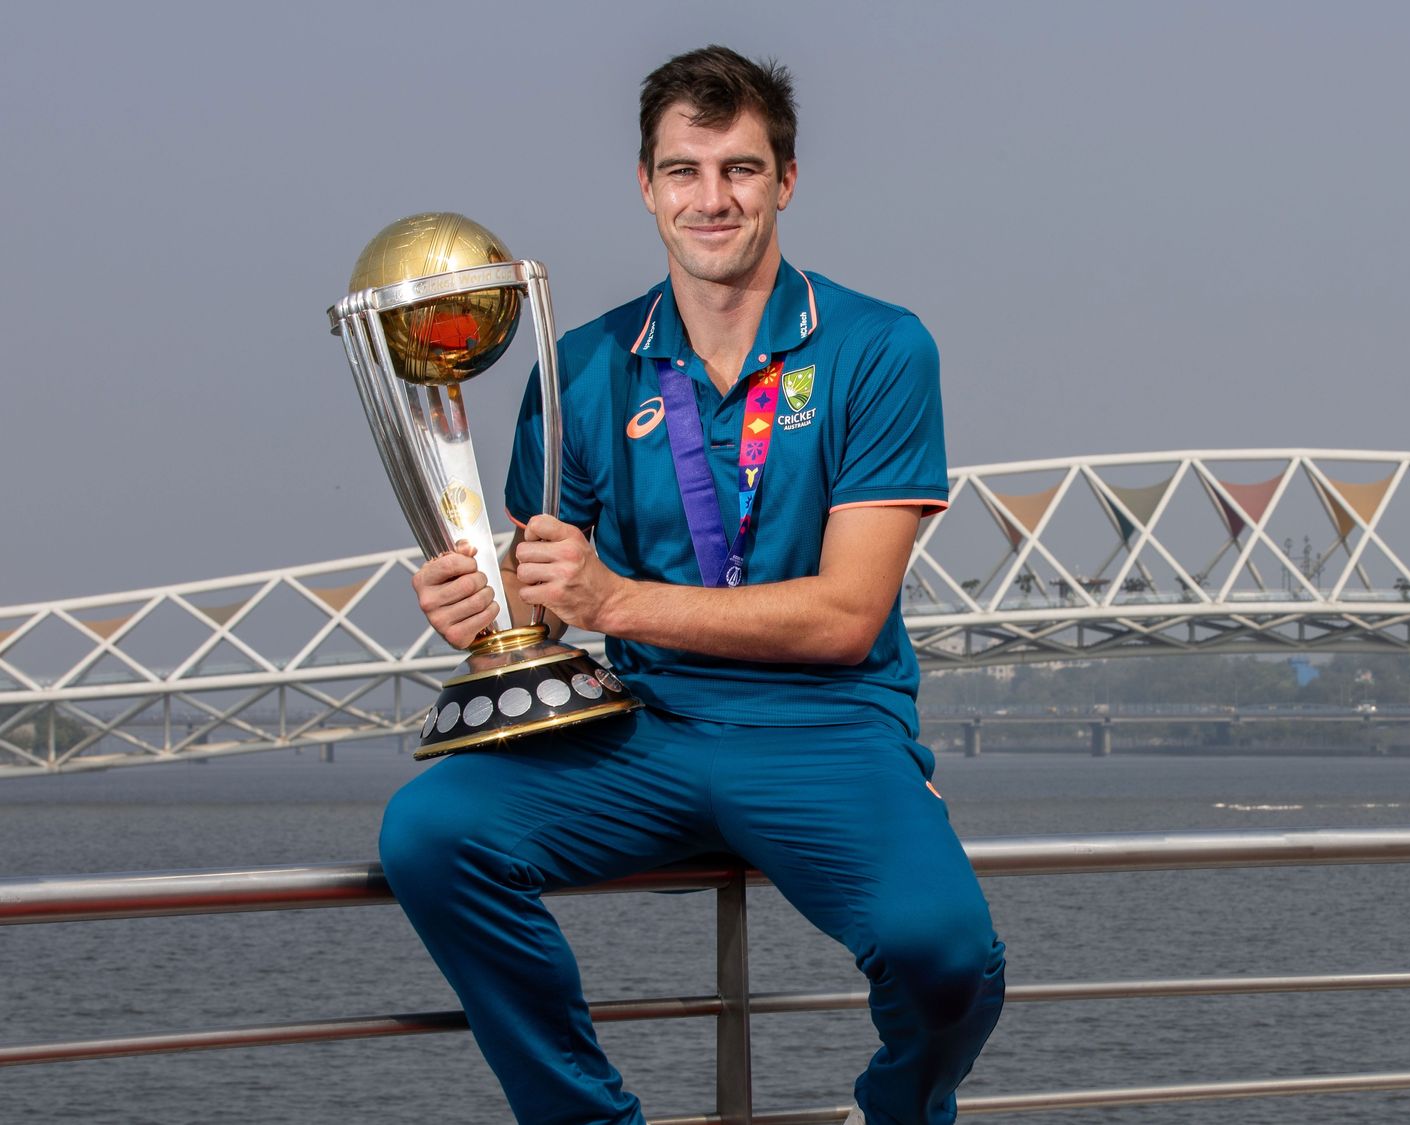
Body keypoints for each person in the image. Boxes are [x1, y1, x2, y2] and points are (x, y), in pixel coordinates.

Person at [377, 45, 1006, 1125]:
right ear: (645, 185)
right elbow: (545, 601)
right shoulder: (576, 366)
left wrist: (615, 602)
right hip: (646, 727)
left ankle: (893, 1112)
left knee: (945, 955)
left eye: (740, 170)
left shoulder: (878, 348)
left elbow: (848, 619)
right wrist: (480, 612)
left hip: (826, 728)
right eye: (684, 171)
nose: (710, 200)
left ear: (786, 181)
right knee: (430, 835)